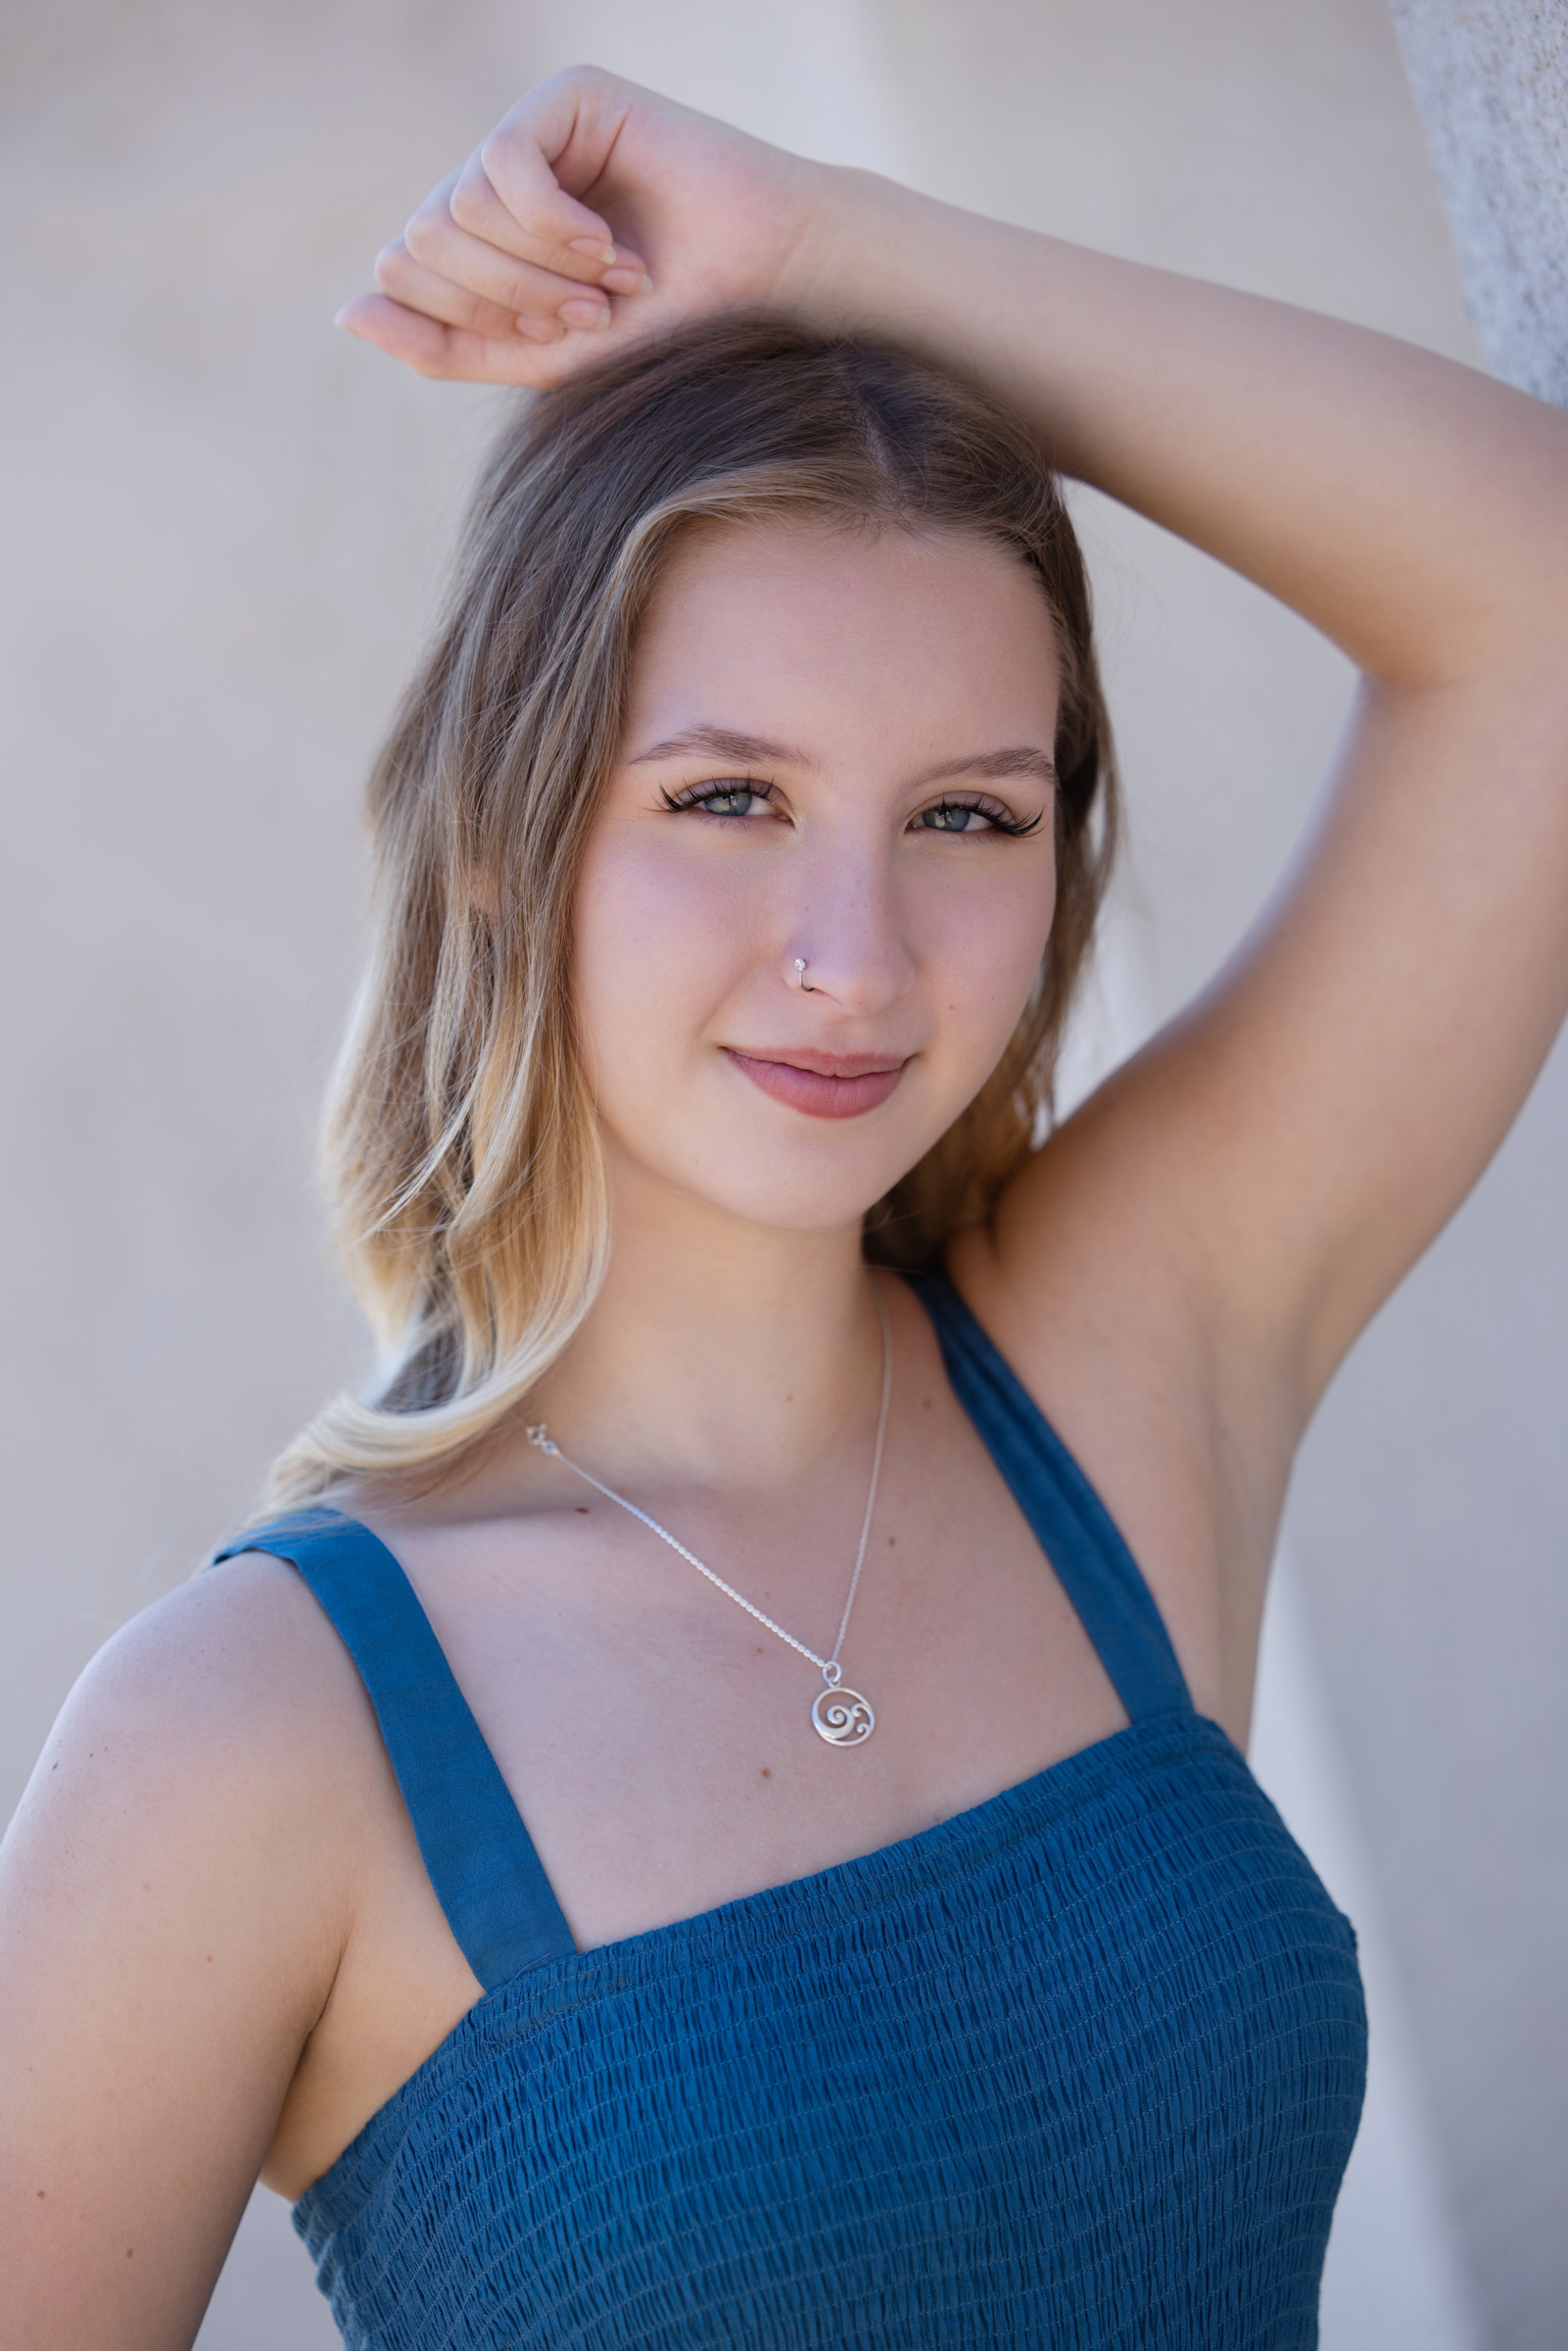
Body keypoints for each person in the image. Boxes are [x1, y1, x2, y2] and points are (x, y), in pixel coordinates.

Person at [4, 62, 1567, 2351]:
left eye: (967, 818)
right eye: (730, 797)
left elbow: (1539, 607)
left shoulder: (1119, 1375)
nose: (857, 957)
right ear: (505, 835)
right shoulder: (252, 1735)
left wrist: (832, 251)